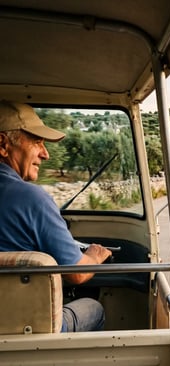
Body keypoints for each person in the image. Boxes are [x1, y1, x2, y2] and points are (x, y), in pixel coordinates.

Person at [0, 100, 112, 332]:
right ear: (2, 144)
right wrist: (94, 255)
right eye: (37, 142)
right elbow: (76, 274)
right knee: (94, 308)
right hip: (25, 333)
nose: (46, 154)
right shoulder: (31, 199)